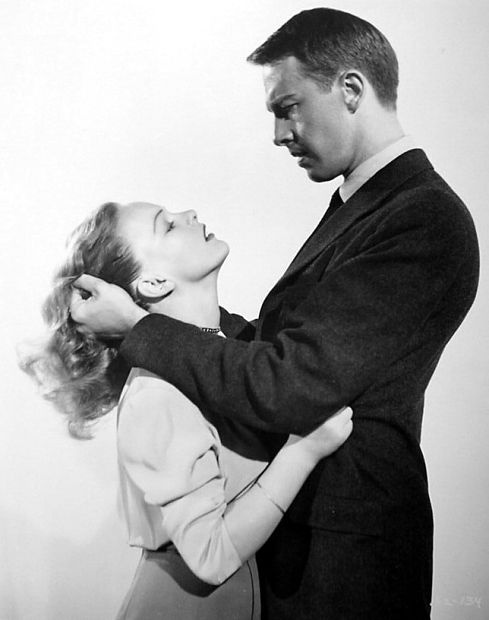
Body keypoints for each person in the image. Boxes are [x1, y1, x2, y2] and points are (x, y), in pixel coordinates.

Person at [70, 8, 480, 620]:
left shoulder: (423, 218)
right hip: (301, 553)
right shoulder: (367, 203)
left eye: (287, 107)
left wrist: (139, 326)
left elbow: (290, 383)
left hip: (347, 566)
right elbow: (283, 347)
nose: (278, 133)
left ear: (350, 89)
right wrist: (158, 311)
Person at [22, 200, 353, 619]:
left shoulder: (224, 360)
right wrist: (303, 451)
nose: (190, 214)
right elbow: (211, 556)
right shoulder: (156, 394)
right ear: (154, 283)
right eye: (167, 226)